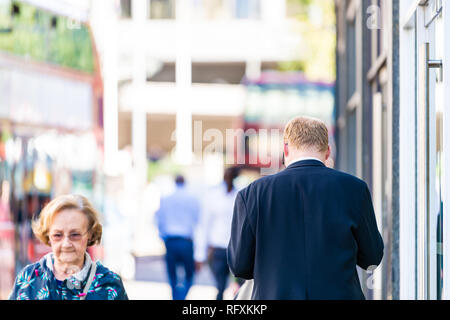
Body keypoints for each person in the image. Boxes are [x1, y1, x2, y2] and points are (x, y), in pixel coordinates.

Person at [227, 116, 384, 300]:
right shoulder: (355, 189)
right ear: (328, 152)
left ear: (285, 149)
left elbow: (239, 266)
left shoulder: (251, 194)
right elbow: (372, 258)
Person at [9, 194, 128, 300]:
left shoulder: (110, 285)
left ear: (90, 235)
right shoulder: (27, 279)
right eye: (57, 235)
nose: (66, 244)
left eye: (75, 235)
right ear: (48, 236)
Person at [195, 167, 240, 300]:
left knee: (237, 286)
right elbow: (204, 225)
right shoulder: (213, 196)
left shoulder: (240, 194)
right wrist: (200, 254)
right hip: (218, 249)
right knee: (220, 286)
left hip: (236, 249)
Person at [155, 175, 200, 300]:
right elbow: (197, 220)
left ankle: (176, 297)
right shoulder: (192, 199)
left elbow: (159, 219)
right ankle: (182, 296)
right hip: (186, 241)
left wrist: (163, 236)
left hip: (171, 240)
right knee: (189, 274)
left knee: (172, 275)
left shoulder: (166, 198)